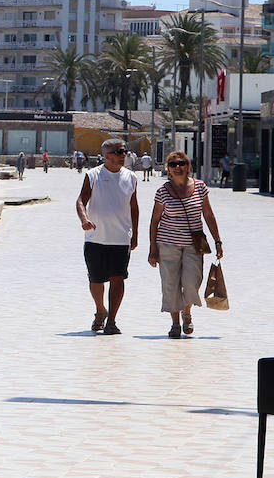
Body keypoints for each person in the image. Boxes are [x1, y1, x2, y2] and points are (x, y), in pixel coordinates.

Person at [148, 151, 223, 339]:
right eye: (173, 164)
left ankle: (187, 312)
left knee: (191, 282)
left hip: (194, 244)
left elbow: (208, 215)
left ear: (188, 166)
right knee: (171, 283)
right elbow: (154, 220)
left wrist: (218, 241)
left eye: (181, 163)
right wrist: (152, 249)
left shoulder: (200, 187)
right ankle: (175, 323)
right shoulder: (162, 192)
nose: (178, 167)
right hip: (167, 244)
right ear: (168, 169)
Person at [76, 137, 139, 335]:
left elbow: (134, 206)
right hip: (96, 238)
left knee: (118, 278)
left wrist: (135, 233)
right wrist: (84, 220)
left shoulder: (131, 177)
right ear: (106, 156)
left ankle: (112, 319)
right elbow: (80, 201)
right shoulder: (93, 175)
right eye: (119, 152)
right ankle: (100, 310)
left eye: (124, 152)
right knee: (96, 280)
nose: (123, 156)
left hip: (120, 238)